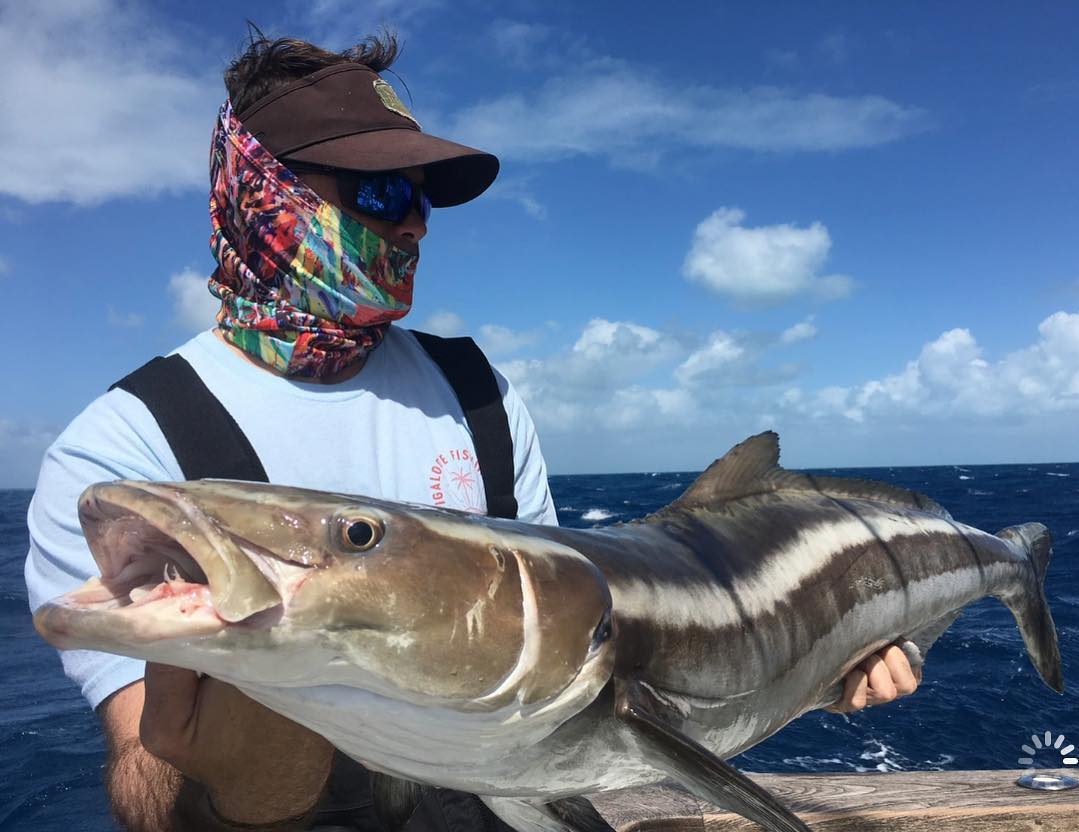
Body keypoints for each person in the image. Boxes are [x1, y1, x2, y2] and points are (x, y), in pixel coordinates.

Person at [25, 29, 920, 832]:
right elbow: (145, 792)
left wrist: (804, 659)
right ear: (256, 191)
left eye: (420, 196)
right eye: (376, 190)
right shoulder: (126, 451)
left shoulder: (472, 386)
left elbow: (576, 649)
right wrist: (253, 755)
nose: (411, 222)